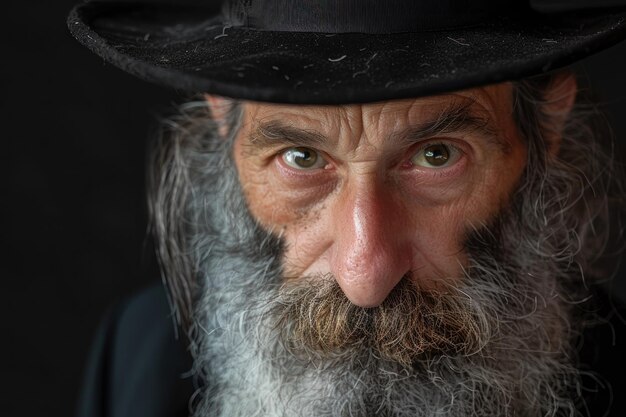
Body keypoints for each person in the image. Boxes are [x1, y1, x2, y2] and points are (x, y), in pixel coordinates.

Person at [69, 1, 626, 416]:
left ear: (544, 129)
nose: (366, 277)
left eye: (437, 156)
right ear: (226, 127)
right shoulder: (137, 358)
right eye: (302, 156)